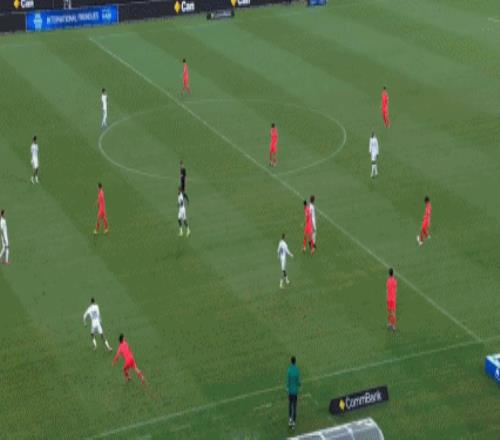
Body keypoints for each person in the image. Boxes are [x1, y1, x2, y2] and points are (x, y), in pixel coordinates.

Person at [286, 356, 301, 429]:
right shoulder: (297, 370)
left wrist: (287, 387)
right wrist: (299, 385)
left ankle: (290, 420)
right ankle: (294, 423)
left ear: (291, 361)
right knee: (294, 407)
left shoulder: (289, 370)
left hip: (290, 392)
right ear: (295, 362)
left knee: (290, 405)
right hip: (295, 392)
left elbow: (288, 381)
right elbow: (298, 381)